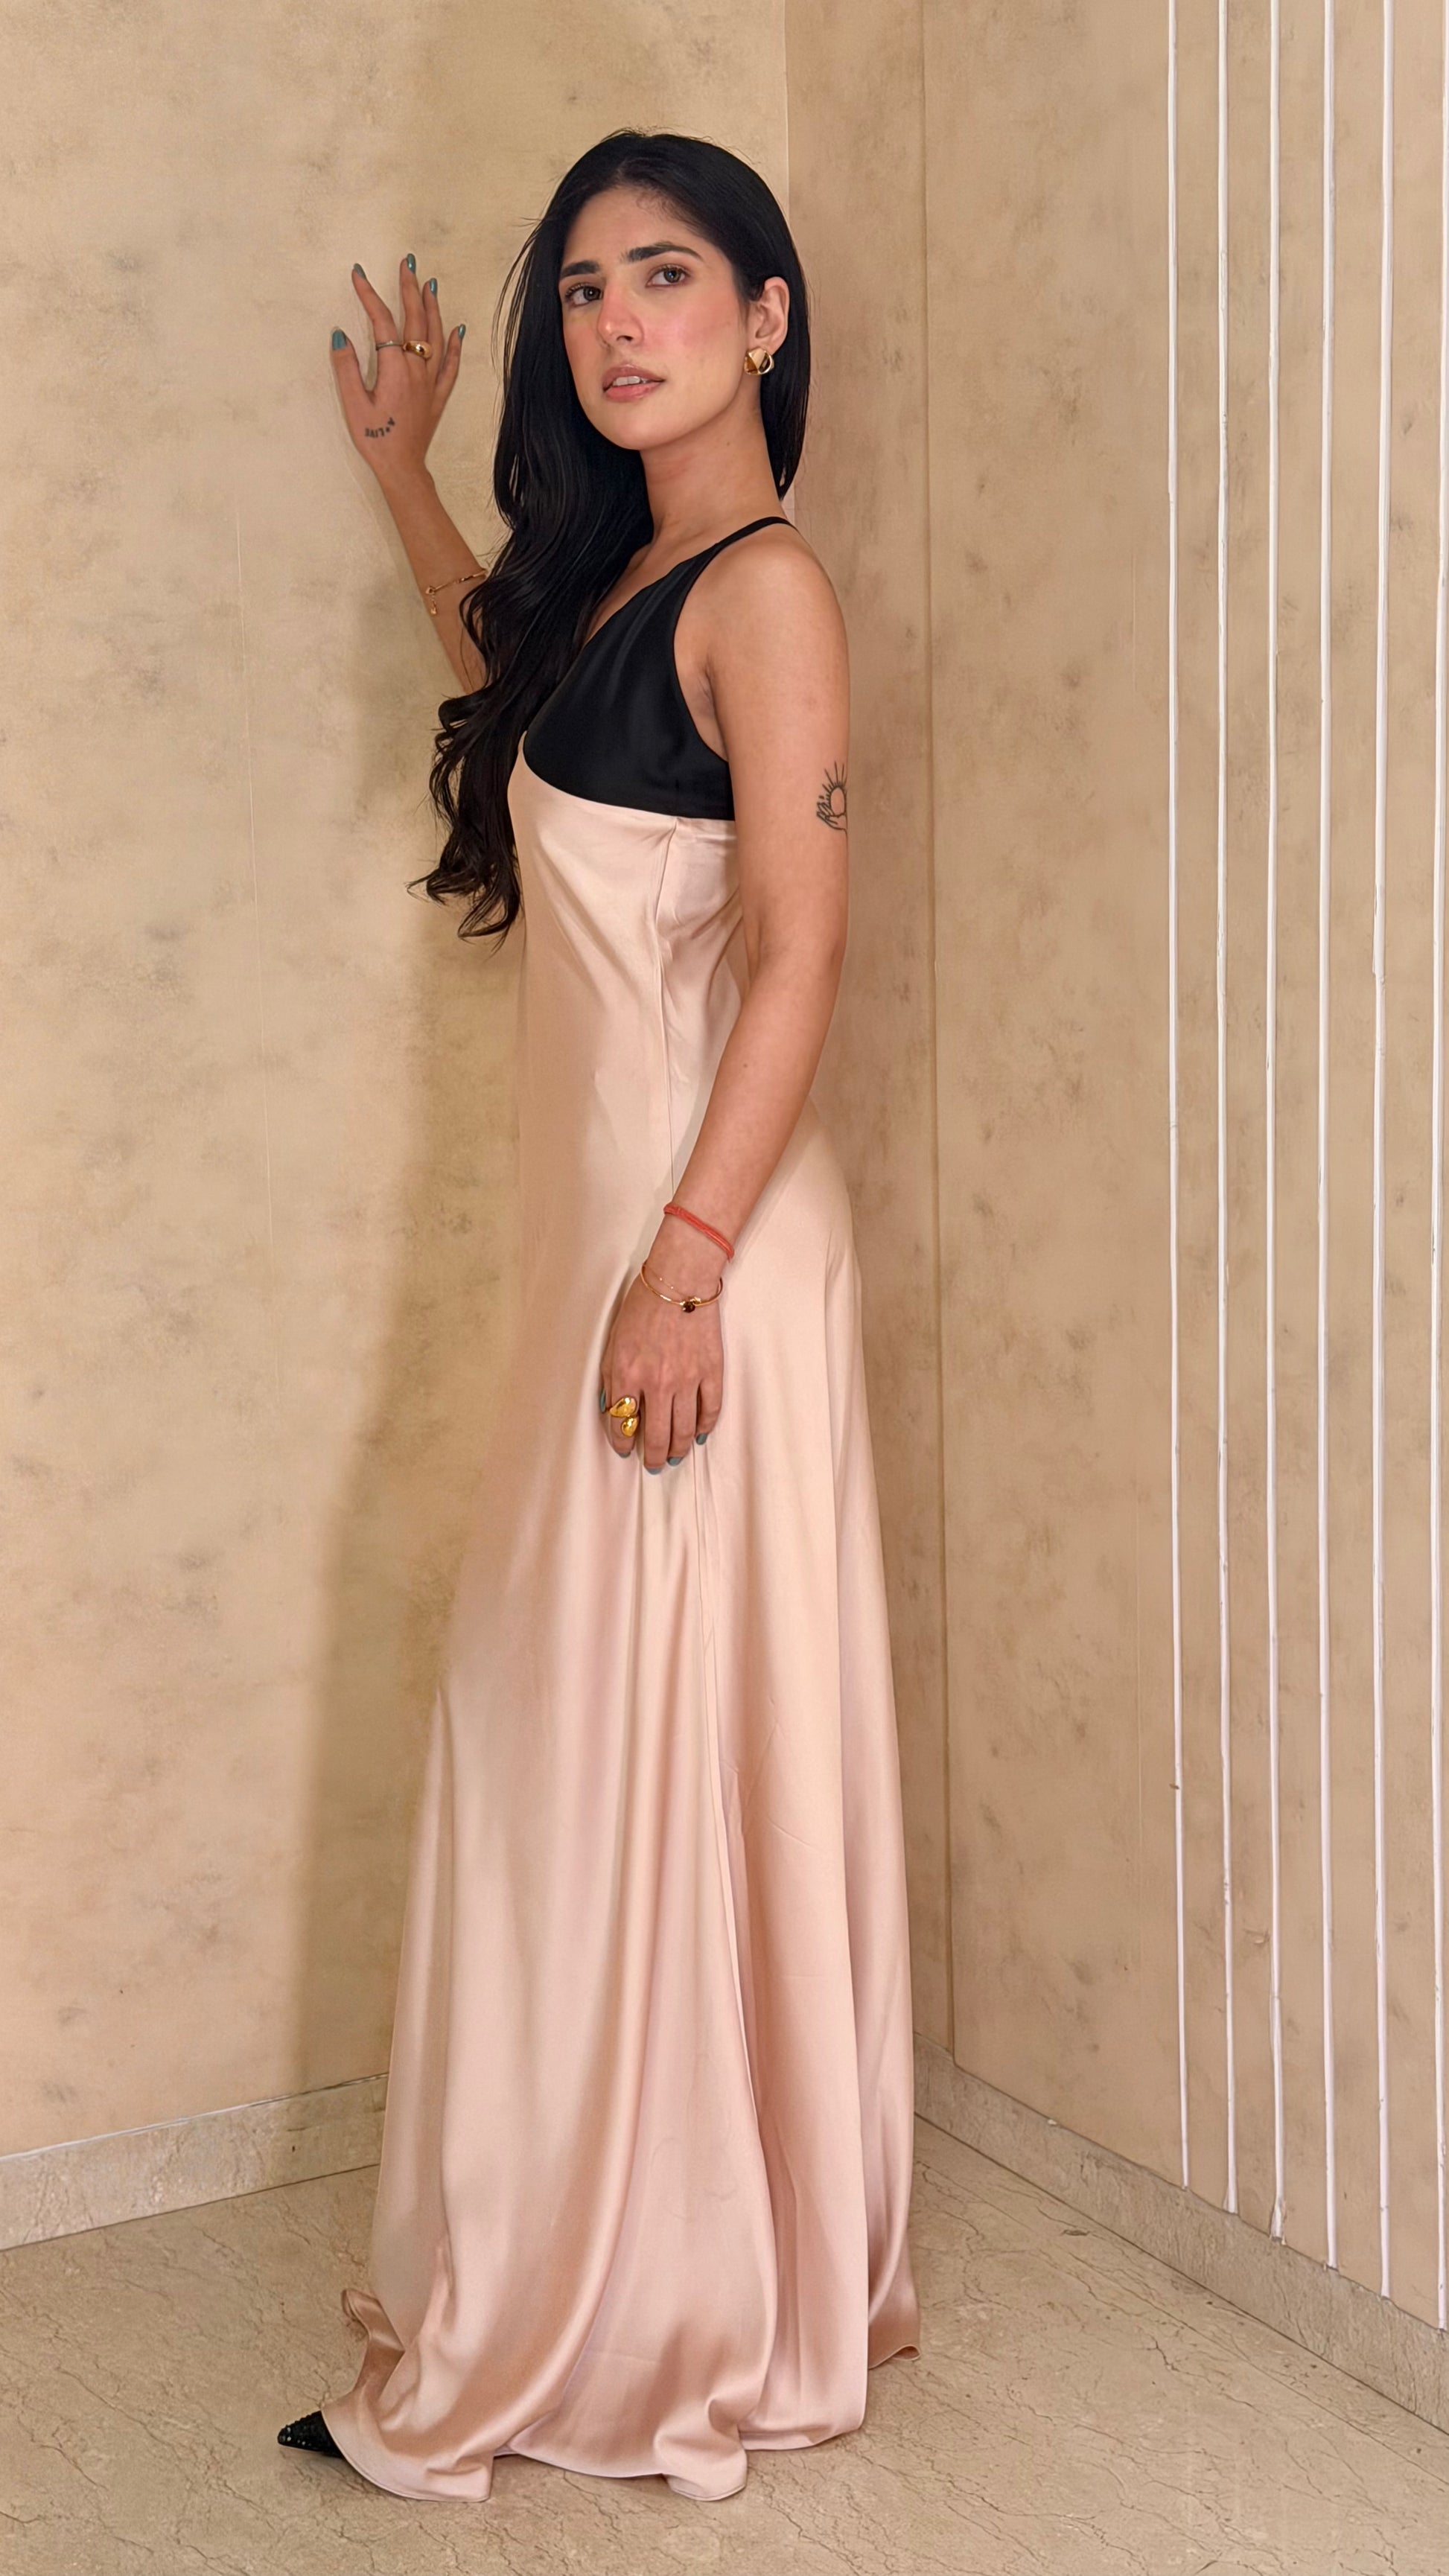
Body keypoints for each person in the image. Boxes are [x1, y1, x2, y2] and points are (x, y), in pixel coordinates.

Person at [276, 127, 920, 2506]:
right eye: (580, 289)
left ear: (765, 315)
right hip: (619, 1243)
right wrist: (404, 475)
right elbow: (529, 705)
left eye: (664, 276)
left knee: (628, 1753)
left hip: (697, 1252)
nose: (615, 321)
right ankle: (598, 2254)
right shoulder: (632, 580)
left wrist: (689, 1261)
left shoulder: (770, 591)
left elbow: (803, 950)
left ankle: (656, 2298)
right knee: (578, 1746)